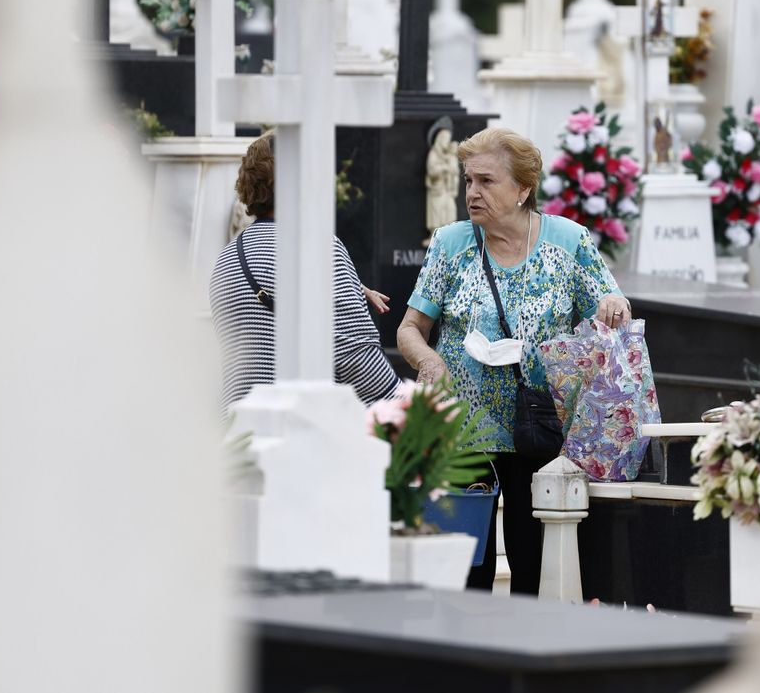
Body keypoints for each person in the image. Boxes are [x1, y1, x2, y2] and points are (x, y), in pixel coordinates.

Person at [397, 127, 632, 593]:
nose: (472, 193)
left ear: (523, 188)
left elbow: (615, 309)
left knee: (531, 567)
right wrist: (429, 361)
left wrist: (614, 308)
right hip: (464, 432)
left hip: (540, 431)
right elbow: (409, 329)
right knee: (466, 572)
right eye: (467, 181)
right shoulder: (451, 244)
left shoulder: (568, 243)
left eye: (486, 181)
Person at [210, 132, 399, 408]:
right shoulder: (318, 249)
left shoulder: (226, 258)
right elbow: (356, 359)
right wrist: (407, 405)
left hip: (238, 430)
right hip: (299, 431)